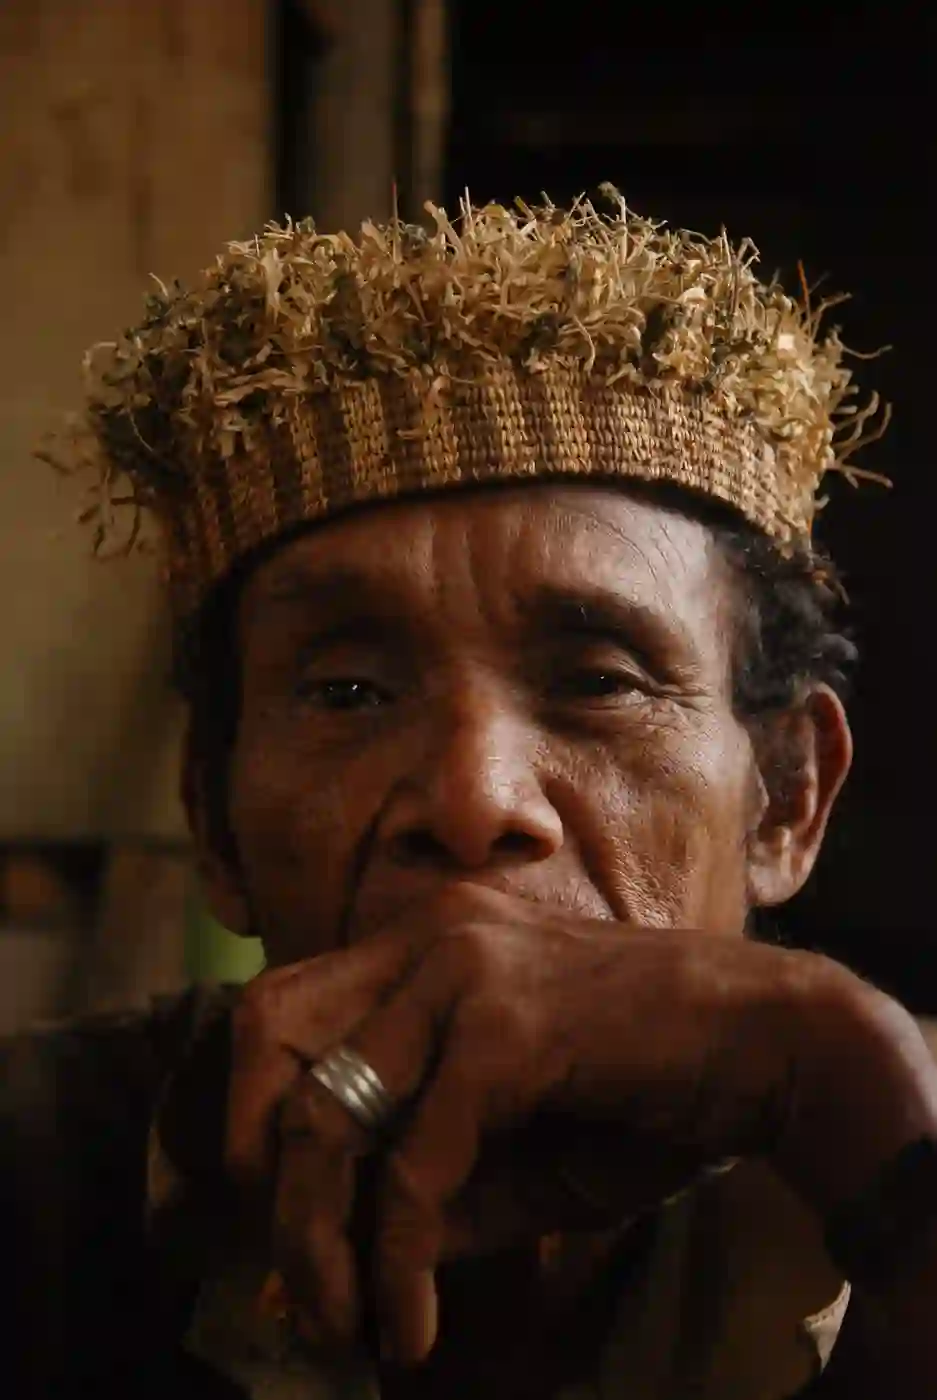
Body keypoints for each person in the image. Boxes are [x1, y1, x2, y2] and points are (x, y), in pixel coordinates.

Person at [6, 191, 937, 1400]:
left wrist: (848, 1091)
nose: (470, 799)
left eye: (599, 682)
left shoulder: (886, 1114)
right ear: (213, 820)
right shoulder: (42, 1176)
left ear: (785, 800)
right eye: (346, 691)